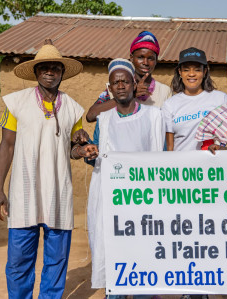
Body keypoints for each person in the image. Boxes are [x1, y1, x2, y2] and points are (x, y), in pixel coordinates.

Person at [0, 39, 90, 299]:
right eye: (44, 68)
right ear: (35, 72)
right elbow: (7, 146)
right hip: (24, 195)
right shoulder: (15, 103)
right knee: (18, 263)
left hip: (59, 194)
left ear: (62, 72)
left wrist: (81, 148)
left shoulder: (73, 109)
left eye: (55, 68)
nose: (49, 72)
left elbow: (70, 149)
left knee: (56, 262)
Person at [76, 58, 165, 295]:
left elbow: (160, 158)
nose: (121, 86)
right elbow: (96, 155)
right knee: (116, 264)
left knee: (144, 261)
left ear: (134, 84)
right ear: (110, 88)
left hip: (143, 202)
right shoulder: (104, 120)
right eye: (116, 83)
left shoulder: (153, 116)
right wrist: (89, 153)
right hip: (113, 202)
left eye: (126, 81)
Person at [86, 31, 172, 122]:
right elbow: (91, 116)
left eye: (150, 58)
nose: (145, 63)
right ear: (131, 58)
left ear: (156, 60)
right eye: (140, 57)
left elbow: (170, 124)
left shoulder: (164, 91)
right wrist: (131, 95)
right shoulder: (117, 88)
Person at [162, 47, 227, 151]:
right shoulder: (170, 105)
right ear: (180, 72)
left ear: (205, 71)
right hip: (183, 166)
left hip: (213, 165)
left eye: (197, 69)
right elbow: (170, 147)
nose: (192, 74)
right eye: (186, 70)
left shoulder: (221, 99)